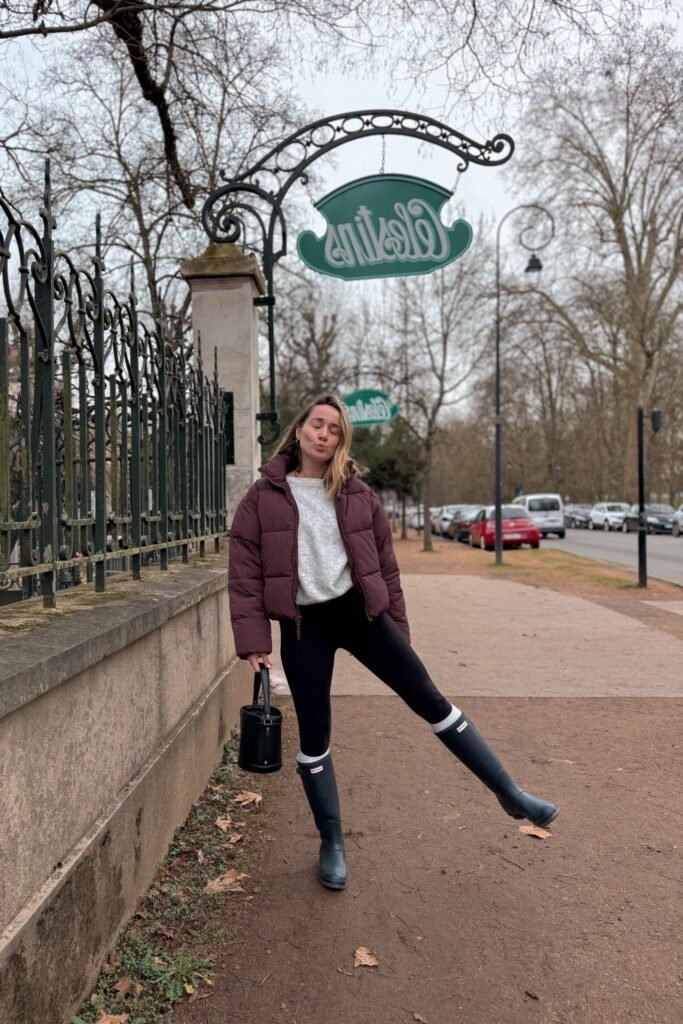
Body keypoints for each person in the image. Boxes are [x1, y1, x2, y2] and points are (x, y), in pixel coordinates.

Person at [228, 394, 559, 891]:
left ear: (341, 439)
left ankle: (510, 792)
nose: (323, 434)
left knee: (433, 701)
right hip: (303, 627)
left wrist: (398, 634)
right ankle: (332, 842)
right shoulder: (262, 498)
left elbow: (386, 568)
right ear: (298, 432)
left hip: (361, 614)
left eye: (333, 429)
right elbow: (245, 575)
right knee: (314, 736)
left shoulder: (358, 493)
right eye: (316, 425)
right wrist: (254, 641)